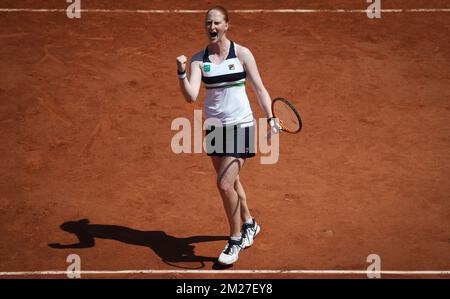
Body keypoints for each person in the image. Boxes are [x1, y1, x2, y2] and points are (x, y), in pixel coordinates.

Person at [176, 6, 279, 265]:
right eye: (208, 23)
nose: (212, 27)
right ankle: (249, 223)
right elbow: (190, 95)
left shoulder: (242, 54)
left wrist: (270, 116)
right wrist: (181, 72)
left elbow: (259, 88)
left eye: (217, 23)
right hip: (213, 129)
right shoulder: (199, 60)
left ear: (226, 25)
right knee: (231, 183)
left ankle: (234, 240)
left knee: (224, 184)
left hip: (241, 126)